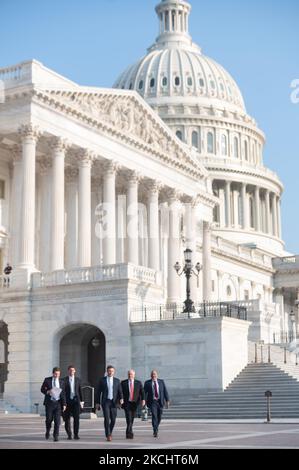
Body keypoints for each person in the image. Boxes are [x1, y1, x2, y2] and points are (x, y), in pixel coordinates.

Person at [95, 365, 124, 442]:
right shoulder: (102, 380)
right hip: (106, 402)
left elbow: (120, 391)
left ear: (114, 372)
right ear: (107, 371)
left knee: (113, 419)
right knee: (107, 419)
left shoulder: (117, 381)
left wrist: (121, 398)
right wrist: (97, 402)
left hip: (114, 402)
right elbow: (98, 392)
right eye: (109, 371)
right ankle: (108, 434)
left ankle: (109, 431)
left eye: (112, 371)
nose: (110, 372)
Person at [41, 367, 66, 442]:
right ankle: (48, 430)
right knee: (49, 419)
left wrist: (64, 404)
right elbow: (42, 389)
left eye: (58, 374)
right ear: (53, 373)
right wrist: (47, 391)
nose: (57, 375)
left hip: (58, 403)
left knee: (57, 421)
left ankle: (56, 436)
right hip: (49, 403)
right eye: (55, 374)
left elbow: (63, 393)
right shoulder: (47, 380)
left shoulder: (62, 382)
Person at [144, 370, 170, 438]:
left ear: (157, 375)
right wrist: (143, 400)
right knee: (154, 416)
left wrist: (167, 400)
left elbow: (165, 391)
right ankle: (155, 430)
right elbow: (144, 392)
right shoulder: (147, 383)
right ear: (151, 375)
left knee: (159, 416)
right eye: (152, 374)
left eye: (155, 374)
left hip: (160, 401)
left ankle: (156, 426)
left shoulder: (161, 382)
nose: (153, 375)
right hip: (153, 402)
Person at [121, 369, 145, 439]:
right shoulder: (123, 383)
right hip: (127, 403)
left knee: (132, 418)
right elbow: (120, 392)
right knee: (128, 418)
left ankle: (128, 431)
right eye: (129, 374)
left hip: (135, 403)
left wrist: (143, 399)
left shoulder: (138, 383)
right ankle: (129, 432)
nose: (130, 375)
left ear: (134, 375)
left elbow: (142, 392)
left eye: (131, 374)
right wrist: (120, 400)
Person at [63, 365, 84, 440]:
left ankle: (76, 434)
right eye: (70, 370)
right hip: (67, 402)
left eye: (73, 370)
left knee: (76, 419)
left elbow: (80, 391)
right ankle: (69, 434)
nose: (72, 371)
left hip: (76, 402)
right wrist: (63, 403)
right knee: (66, 419)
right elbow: (63, 392)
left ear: (75, 371)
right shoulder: (64, 380)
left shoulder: (78, 380)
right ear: (68, 371)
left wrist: (82, 402)